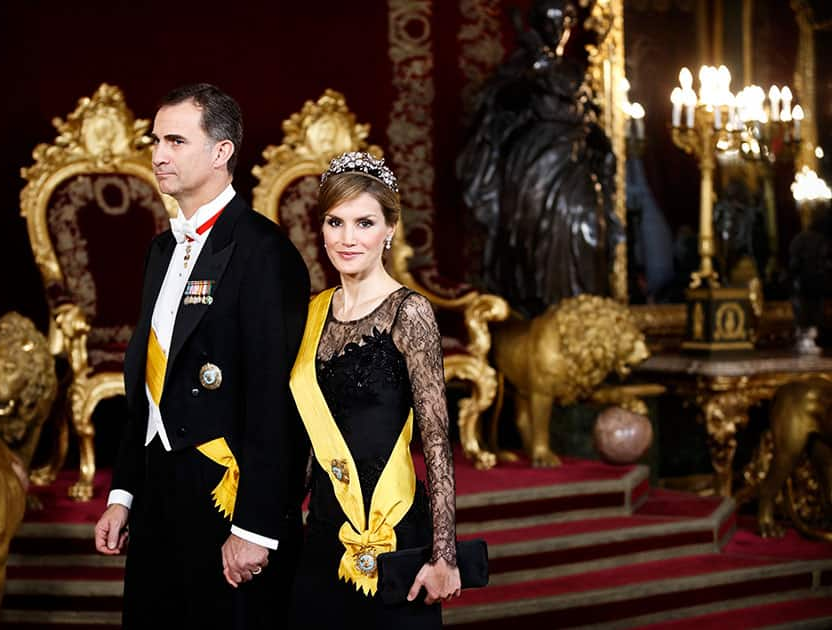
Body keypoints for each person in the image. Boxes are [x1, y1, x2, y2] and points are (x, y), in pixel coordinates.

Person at [93, 83, 311, 629]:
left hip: (225, 498)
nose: (158, 154)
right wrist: (123, 493)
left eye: (175, 140)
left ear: (221, 153)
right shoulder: (160, 249)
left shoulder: (265, 252)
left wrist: (256, 527)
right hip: (158, 486)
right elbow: (145, 379)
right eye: (155, 140)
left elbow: (275, 400)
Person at [288, 151, 460, 629]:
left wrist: (444, 555)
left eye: (364, 222)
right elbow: (309, 437)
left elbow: (438, 440)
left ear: (389, 229)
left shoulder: (411, 313)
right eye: (334, 222)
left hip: (396, 528)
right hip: (324, 528)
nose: (347, 239)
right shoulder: (311, 313)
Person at [456, 0, 622, 317]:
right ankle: (540, 308)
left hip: (575, 162)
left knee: (588, 224)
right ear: (537, 24)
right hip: (534, 162)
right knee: (537, 237)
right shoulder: (520, 66)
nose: (557, 29)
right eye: (550, 21)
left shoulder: (574, 71)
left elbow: (591, 116)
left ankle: (583, 310)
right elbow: (495, 106)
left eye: (564, 22)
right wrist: (532, 74)